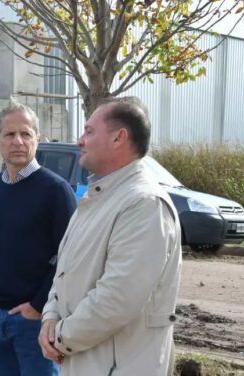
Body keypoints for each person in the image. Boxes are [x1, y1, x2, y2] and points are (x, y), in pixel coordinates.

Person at [38, 96, 182, 375]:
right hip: (83, 359)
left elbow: (117, 299)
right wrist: (49, 319)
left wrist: (59, 337)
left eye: (89, 131)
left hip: (120, 366)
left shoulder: (144, 204)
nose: (80, 140)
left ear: (119, 139)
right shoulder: (97, 198)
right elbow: (63, 275)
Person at [0, 99, 76, 375]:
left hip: (34, 320)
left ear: (37, 139)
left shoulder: (56, 190)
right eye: (9, 134)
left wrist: (38, 305)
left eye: (26, 134)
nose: (18, 141)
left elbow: (70, 257)